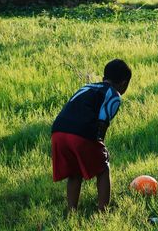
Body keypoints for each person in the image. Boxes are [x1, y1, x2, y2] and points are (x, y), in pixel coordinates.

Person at [51, 59, 131, 212]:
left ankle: (72, 211)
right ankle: (103, 211)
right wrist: (101, 145)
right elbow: (102, 121)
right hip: (81, 133)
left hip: (58, 132)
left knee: (74, 172)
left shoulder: (87, 87)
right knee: (103, 167)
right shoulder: (114, 94)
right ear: (124, 83)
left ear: (103, 78)